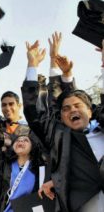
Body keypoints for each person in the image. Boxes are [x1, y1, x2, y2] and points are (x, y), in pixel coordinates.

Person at [22, 39, 104, 212]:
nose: (72, 110)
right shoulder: (59, 137)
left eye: (77, 106)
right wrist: (32, 65)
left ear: (90, 111)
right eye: (66, 109)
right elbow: (34, 111)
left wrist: (68, 75)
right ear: (61, 117)